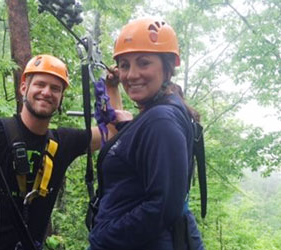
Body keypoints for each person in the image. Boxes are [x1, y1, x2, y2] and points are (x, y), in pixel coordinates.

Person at [0, 54, 127, 250]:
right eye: (40, 84)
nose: (46, 92)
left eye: (55, 88)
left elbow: (112, 133)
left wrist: (111, 87)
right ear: (23, 88)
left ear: (61, 98)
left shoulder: (63, 143)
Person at [88, 17, 205, 250]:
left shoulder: (160, 120)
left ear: (167, 66)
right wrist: (114, 92)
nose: (131, 75)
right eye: (124, 65)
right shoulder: (158, 114)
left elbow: (162, 208)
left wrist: (104, 237)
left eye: (143, 63)